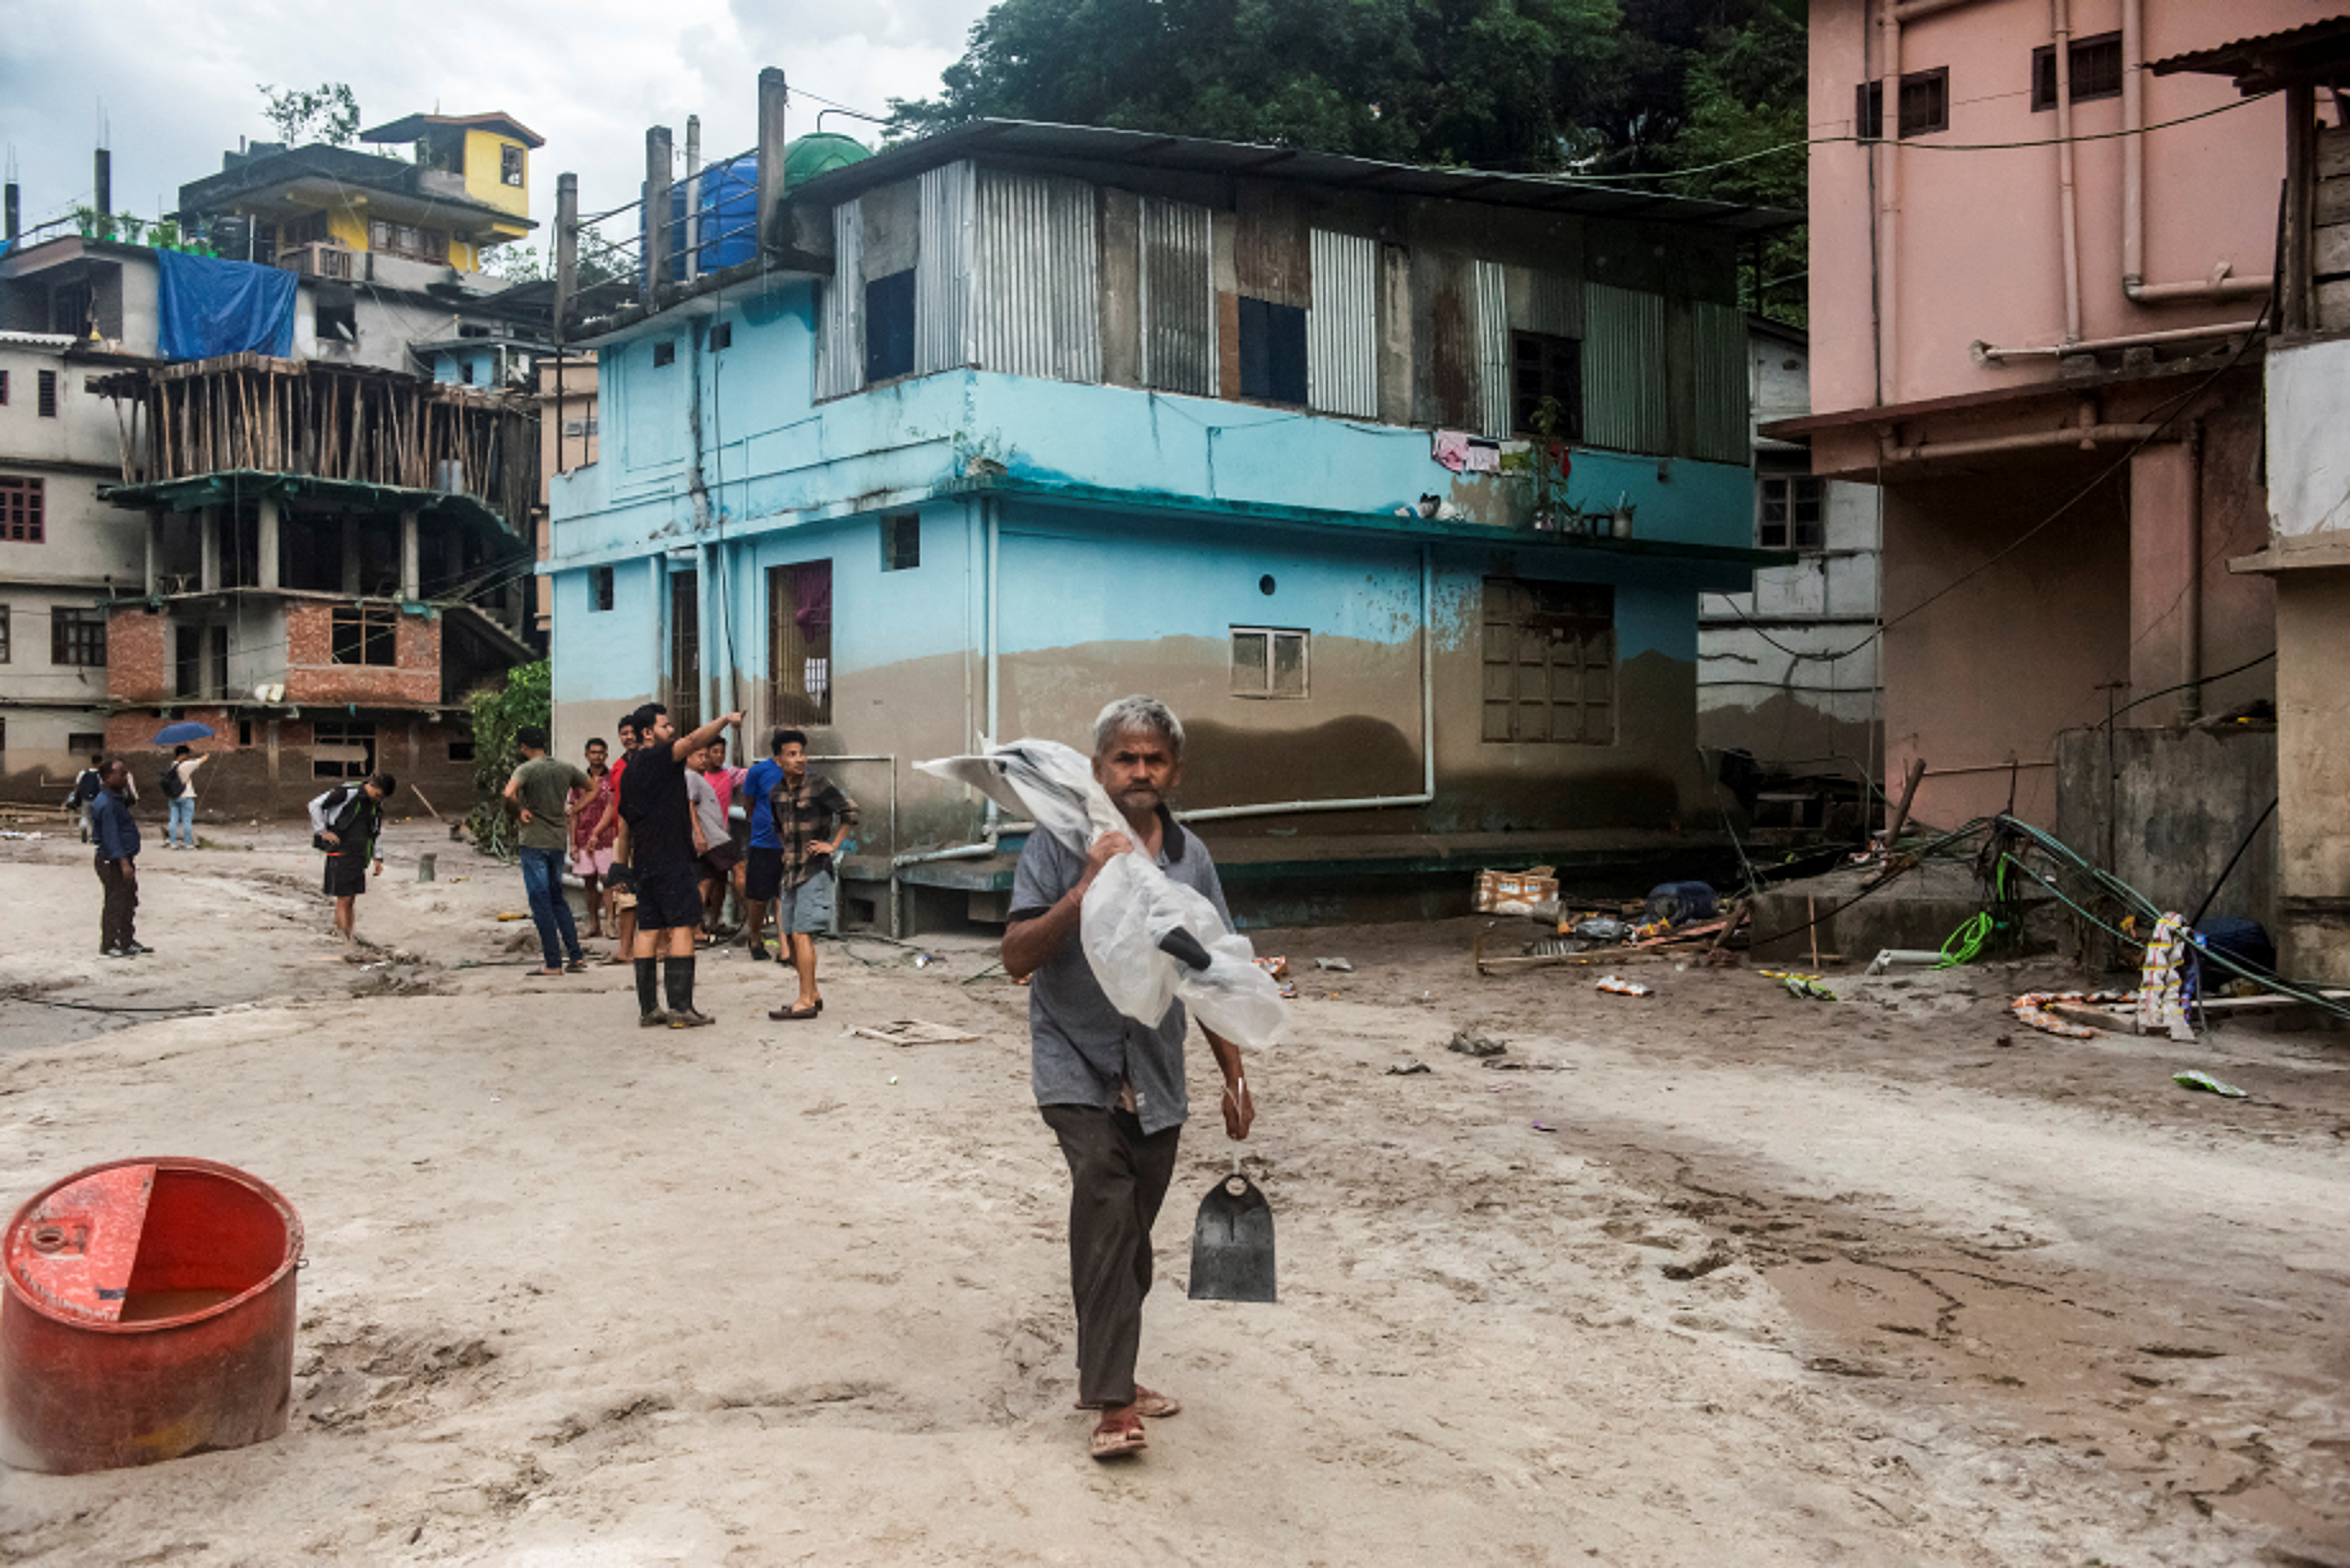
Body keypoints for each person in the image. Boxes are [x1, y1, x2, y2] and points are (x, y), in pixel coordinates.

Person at [999, 696, 1254, 1461]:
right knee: (1107, 1207)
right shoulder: (1057, 843)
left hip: (1157, 1071)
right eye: (1125, 758)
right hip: (1073, 1058)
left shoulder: (1190, 860)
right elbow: (1016, 957)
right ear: (1099, 767)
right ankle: (1114, 1404)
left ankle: (1102, 1369)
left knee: (1127, 1234)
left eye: (1154, 759)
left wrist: (1234, 1076)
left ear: (1174, 770)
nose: (1140, 771)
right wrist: (1085, 886)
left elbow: (1211, 972)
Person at [618, 702, 743, 1028]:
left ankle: (649, 1009)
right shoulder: (658, 758)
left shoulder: (629, 771)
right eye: (665, 725)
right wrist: (725, 721)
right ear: (649, 733)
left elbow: (624, 824)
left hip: (644, 859)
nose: (671, 731)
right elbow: (692, 741)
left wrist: (622, 864)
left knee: (648, 929)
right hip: (672, 857)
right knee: (684, 925)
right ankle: (681, 1007)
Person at [760, 730, 859, 1022]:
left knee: (803, 933)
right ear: (778, 759)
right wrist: (785, 850)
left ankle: (804, 1001)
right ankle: (813, 993)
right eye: (791, 754)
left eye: (802, 753)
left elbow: (850, 812)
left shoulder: (819, 785)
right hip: (790, 870)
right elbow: (778, 825)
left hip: (815, 871)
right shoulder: (776, 792)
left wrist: (833, 845)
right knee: (789, 938)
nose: (799, 759)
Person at [504, 726, 592, 977]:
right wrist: (575, 809)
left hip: (534, 841)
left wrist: (519, 810)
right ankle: (576, 957)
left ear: (524, 748)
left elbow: (508, 793)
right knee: (557, 898)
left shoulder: (526, 770)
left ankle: (553, 962)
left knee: (540, 900)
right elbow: (594, 788)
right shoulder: (565, 769)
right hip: (557, 842)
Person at [311, 772, 394, 954]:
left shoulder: (375, 805)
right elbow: (314, 805)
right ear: (372, 786)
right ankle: (345, 943)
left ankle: (350, 938)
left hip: (358, 855)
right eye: (379, 795)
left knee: (352, 900)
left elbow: (375, 831)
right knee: (344, 898)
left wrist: (378, 858)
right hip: (340, 851)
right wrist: (322, 831)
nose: (379, 800)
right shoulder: (347, 793)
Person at [687, 741, 746, 942]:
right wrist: (700, 834)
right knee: (740, 868)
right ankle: (752, 918)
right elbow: (691, 808)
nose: (704, 760)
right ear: (688, 758)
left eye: (706, 756)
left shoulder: (703, 777)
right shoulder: (691, 777)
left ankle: (696, 927)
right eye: (700, 756)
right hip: (712, 837)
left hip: (711, 835)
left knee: (705, 881)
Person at [90, 757, 148, 959]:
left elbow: (132, 800)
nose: (125, 776)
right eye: (121, 773)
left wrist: (128, 784)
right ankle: (109, 944)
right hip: (113, 861)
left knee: (129, 899)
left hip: (124, 858)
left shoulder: (117, 798)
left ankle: (127, 940)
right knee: (115, 901)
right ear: (107, 778)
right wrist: (124, 863)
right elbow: (111, 836)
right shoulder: (106, 804)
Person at [601, 716, 642, 966]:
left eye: (631, 732)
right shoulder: (617, 767)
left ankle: (658, 947)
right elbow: (612, 803)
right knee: (624, 895)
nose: (628, 737)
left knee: (650, 894)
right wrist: (598, 831)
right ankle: (625, 949)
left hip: (646, 836)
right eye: (623, 733)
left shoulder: (649, 762)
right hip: (622, 836)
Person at [569, 738, 618, 939]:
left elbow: (615, 806)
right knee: (589, 883)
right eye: (594, 753)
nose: (598, 757)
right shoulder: (579, 782)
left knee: (609, 881)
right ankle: (593, 923)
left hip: (607, 837)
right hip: (583, 837)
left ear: (606, 755)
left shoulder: (613, 779)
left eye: (601, 753)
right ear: (587, 755)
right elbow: (573, 813)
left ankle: (611, 923)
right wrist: (572, 842)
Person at [160, 745, 207, 850]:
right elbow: (201, 760)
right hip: (186, 796)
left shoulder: (172, 766)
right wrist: (206, 755)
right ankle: (188, 844)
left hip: (173, 797)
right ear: (184, 755)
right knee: (187, 821)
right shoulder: (186, 765)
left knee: (173, 820)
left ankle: (173, 843)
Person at [70, 752, 104, 844]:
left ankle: (84, 827)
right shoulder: (101, 775)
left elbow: (77, 785)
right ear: (100, 763)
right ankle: (93, 837)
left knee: (85, 816)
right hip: (97, 799)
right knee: (95, 819)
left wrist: (76, 797)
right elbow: (104, 787)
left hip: (85, 799)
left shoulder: (83, 773)